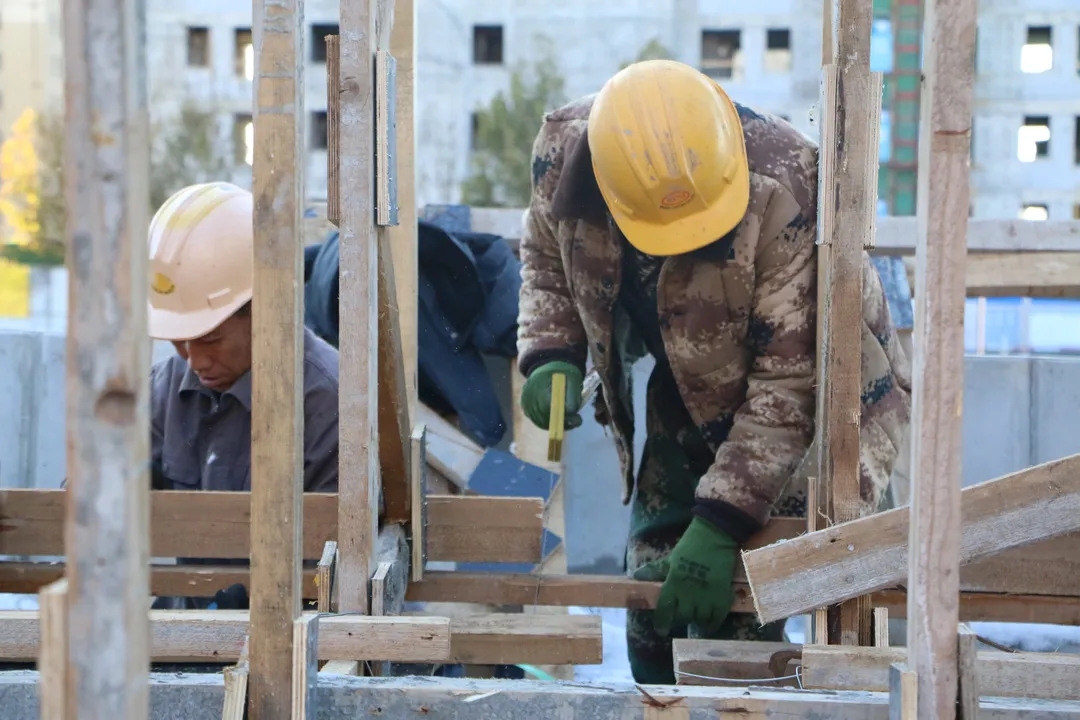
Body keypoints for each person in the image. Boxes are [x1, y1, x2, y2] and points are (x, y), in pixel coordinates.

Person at [516, 60, 912, 684]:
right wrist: (550, 351)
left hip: (826, 409)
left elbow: (791, 384)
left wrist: (722, 524)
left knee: (744, 618)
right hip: (688, 381)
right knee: (654, 604)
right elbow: (546, 253)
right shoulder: (565, 156)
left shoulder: (789, 186)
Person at [147, 180, 340, 494]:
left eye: (211, 339)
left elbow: (337, 522)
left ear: (266, 311)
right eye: (178, 340)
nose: (194, 361)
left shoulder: (330, 405)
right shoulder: (163, 391)